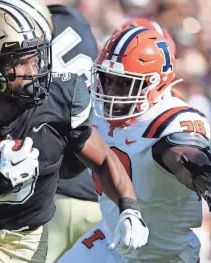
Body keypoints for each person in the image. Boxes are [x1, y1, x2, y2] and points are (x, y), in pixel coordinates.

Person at [0, 5, 149, 263]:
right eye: (22, 61)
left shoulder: (62, 97)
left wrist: (129, 208)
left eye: (36, 57)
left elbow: (104, 159)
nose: (35, 70)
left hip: (28, 244)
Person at [58, 26, 211, 263]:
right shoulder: (94, 107)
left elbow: (184, 156)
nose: (111, 92)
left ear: (155, 85)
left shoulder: (169, 121)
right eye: (108, 79)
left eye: (123, 84)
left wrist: (202, 174)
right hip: (110, 240)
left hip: (165, 256)